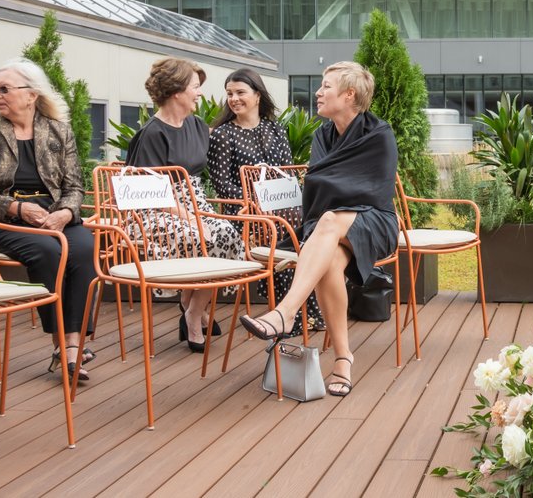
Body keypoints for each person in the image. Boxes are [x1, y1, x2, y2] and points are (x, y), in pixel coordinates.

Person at [238, 61, 398, 398]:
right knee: (329, 263)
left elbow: (367, 190)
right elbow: (320, 182)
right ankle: (343, 359)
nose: (318, 92)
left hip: (374, 222)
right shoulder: (323, 135)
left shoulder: (379, 134)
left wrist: (333, 191)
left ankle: (285, 312)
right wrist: (332, 189)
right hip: (328, 227)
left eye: (326, 86)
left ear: (349, 94)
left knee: (329, 221)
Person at [0, 59, 98, 381]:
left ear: (31, 95)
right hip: (5, 218)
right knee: (49, 252)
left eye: (5, 89)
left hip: (55, 213)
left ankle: (74, 346)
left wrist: (65, 212)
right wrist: (16, 208)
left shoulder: (57, 131)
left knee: (83, 250)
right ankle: (60, 345)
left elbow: (75, 185)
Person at [125, 57, 243, 352]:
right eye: (195, 86)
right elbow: (145, 192)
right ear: (177, 91)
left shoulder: (197, 125)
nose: (199, 92)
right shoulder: (151, 133)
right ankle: (193, 316)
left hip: (195, 202)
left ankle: (192, 305)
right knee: (199, 235)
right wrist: (190, 218)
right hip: (153, 211)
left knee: (228, 233)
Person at [206, 68, 321, 337]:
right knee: (282, 231)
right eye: (230, 94)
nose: (234, 99)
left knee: (312, 228)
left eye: (240, 93)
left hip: (281, 207)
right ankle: (295, 314)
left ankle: (302, 311)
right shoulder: (223, 135)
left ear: (257, 96)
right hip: (244, 212)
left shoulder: (275, 129)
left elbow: (287, 173)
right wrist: (256, 202)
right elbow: (222, 185)